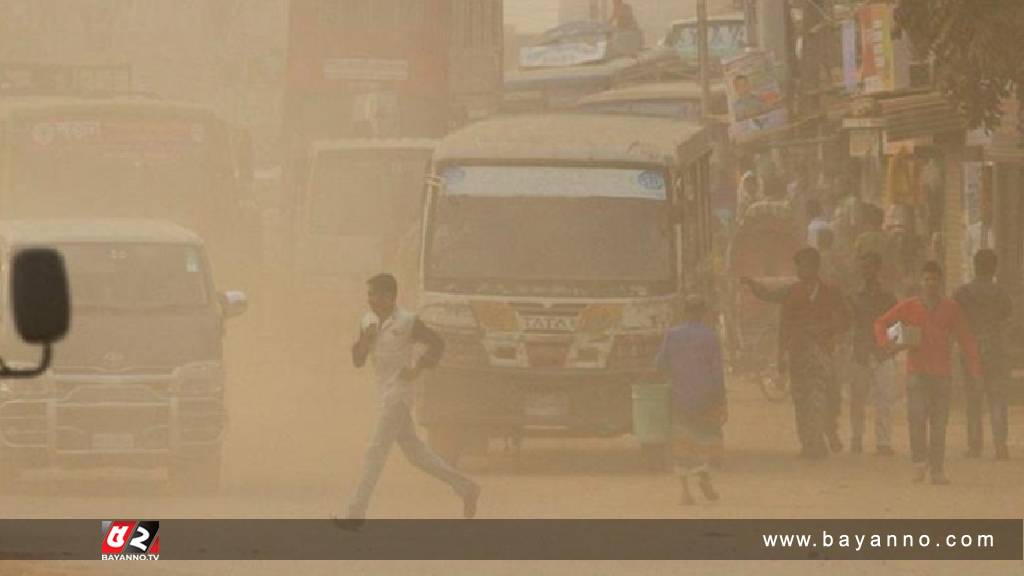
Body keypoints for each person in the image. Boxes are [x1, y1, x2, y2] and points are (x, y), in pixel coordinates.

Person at [341, 274, 481, 522]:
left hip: (400, 393)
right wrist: (366, 339)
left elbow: (437, 343)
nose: (371, 300)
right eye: (369, 295)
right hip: (383, 393)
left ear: (390, 296)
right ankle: (466, 487)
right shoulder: (367, 321)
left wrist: (417, 369)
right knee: (415, 452)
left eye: (375, 294)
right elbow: (358, 360)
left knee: (376, 450)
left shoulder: (408, 321)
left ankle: (355, 512)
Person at [874, 262, 982, 485]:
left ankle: (937, 470)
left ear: (940, 283)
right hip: (917, 373)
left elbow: (966, 339)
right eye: (927, 279)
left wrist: (975, 369)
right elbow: (881, 322)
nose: (930, 283)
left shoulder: (952, 308)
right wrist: (885, 343)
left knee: (939, 423)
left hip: (942, 374)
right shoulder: (910, 306)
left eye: (934, 279)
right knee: (916, 419)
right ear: (921, 282)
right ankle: (919, 463)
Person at [744, 248, 850, 459]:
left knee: (830, 397)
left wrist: (834, 336)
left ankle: (828, 430)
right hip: (799, 354)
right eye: (799, 266)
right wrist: (752, 285)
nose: (800, 270)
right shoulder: (791, 292)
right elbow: (774, 307)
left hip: (824, 352)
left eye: (803, 266)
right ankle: (810, 444)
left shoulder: (831, 292)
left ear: (814, 267)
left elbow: (844, 320)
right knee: (802, 400)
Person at [656, 295, 727, 505]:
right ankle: (705, 476)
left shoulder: (672, 335)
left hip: (680, 397)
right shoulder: (710, 337)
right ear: (703, 313)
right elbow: (717, 373)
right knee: (706, 440)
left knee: (682, 445)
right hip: (706, 398)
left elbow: (659, 364)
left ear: (685, 312)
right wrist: (721, 399)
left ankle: (685, 493)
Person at [954, 249, 1014, 460]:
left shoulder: (962, 293)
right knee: (997, 398)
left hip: (970, 350)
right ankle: (1000, 445)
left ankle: (975, 446)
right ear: (994, 268)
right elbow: (1007, 317)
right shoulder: (1001, 293)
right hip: (996, 351)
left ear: (974, 265)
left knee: (973, 400)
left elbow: (955, 320)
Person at [847, 252, 898, 455]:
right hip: (860, 352)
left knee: (885, 399)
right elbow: (849, 324)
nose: (865, 271)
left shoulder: (888, 297)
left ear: (877, 270)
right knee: (857, 398)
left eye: (869, 267)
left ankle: (883, 442)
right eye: (863, 267)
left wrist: (890, 346)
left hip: (882, 353)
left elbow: (897, 324)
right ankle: (856, 438)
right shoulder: (853, 297)